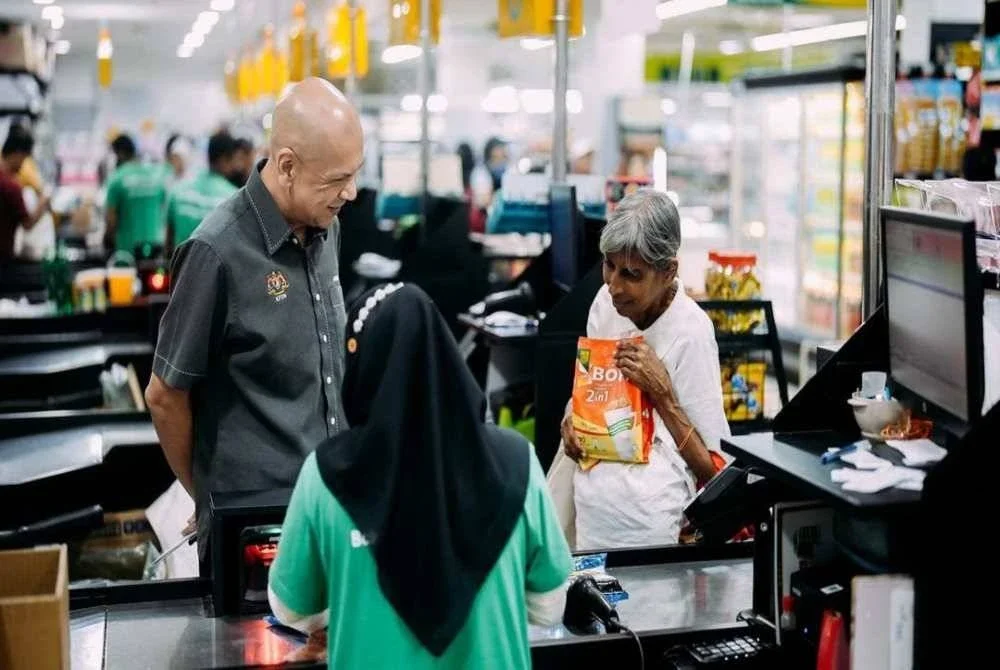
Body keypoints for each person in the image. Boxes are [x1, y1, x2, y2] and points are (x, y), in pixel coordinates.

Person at [268, 283, 572, 668]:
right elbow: (549, 607)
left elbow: (291, 608)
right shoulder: (517, 462)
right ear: (444, 356)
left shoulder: (328, 475)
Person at [144, 78, 364, 560]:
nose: (351, 192)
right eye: (335, 180)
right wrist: (210, 502)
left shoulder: (328, 230)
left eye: (355, 174)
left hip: (329, 510)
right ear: (286, 166)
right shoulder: (216, 251)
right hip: (257, 531)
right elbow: (164, 395)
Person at [558, 189, 729, 549]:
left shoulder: (690, 333)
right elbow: (589, 393)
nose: (614, 286)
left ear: (667, 272)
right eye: (609, 265)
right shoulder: (605, 305)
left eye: (632, 274)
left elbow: (716, 475)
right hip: (593, 516)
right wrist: (572, 418)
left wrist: (662, 393)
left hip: (650, 529)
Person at [164, 130, 238, 253]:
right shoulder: (234, 198)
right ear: (224, 159)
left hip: (180, 268)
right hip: (213, 271)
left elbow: (168, 244)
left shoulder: (177, 191)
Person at [104, 134, 169, 256]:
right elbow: (165, 212)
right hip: (156, 249)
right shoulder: (156, 177)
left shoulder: (117, 178)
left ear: (120, 154)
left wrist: (107, 241)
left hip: (127, 252)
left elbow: (111, 221)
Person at [0, 127, 49, 261]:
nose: (23, 165)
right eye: (24, 159)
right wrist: (43, 203)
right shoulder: (11, 187)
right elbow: (27, 224)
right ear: (17, 153)